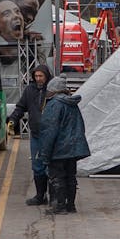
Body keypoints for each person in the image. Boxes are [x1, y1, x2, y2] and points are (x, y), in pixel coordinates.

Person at [35, 76, 89, 215]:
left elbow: (49, 131)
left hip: (59, 149)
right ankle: (71, 206)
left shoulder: (54, 105)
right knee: (71, 177)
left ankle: (60, 206)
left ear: (53, 90)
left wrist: (45, 154)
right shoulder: (72, 104)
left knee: (57, 177)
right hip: (73, 149)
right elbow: (80, 127)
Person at [11, 64, 53, 203]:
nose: (38, 79)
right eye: (36, 76)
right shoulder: (30, 90)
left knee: (51, 166)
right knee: (37, 165)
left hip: (51, 135)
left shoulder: (52, 90)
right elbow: (21, 107)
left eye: (41, 76)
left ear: (47, 76)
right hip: (36, 134)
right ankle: (40, 196)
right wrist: (12, 120)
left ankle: (54, 197)